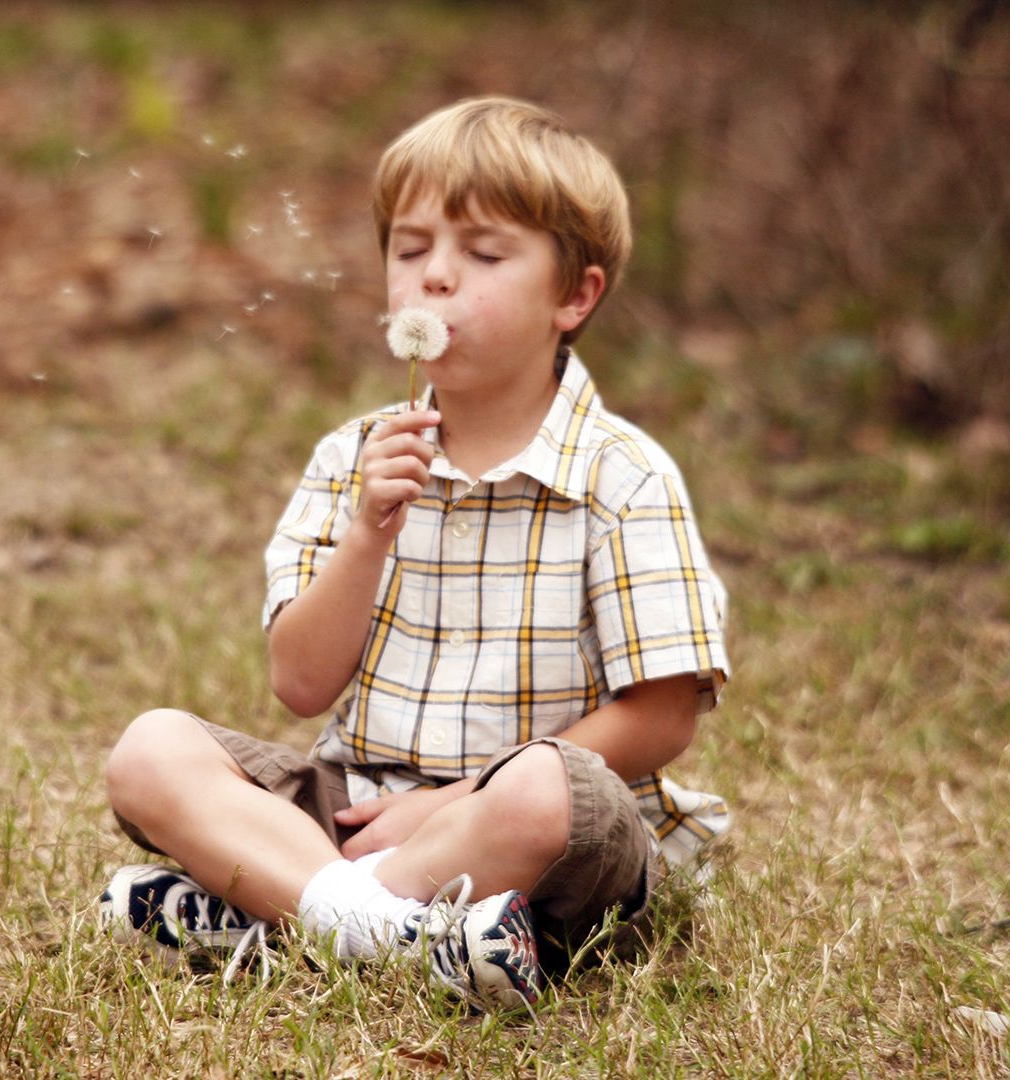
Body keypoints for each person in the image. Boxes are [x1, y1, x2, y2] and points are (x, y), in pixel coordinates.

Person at [100, 96, 731, 1012]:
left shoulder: (622, 477)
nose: (434, 277)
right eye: (408, 248)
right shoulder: (351, 461)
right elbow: (300, 684)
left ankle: (276, 913)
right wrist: (368, 535)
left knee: (549, 795)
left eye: (482, 254)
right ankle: (395, 934)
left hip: (529, 828)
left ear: (574, 295)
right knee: (149, 751)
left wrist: (452, 801)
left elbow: (664, 716)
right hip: (356, 806)